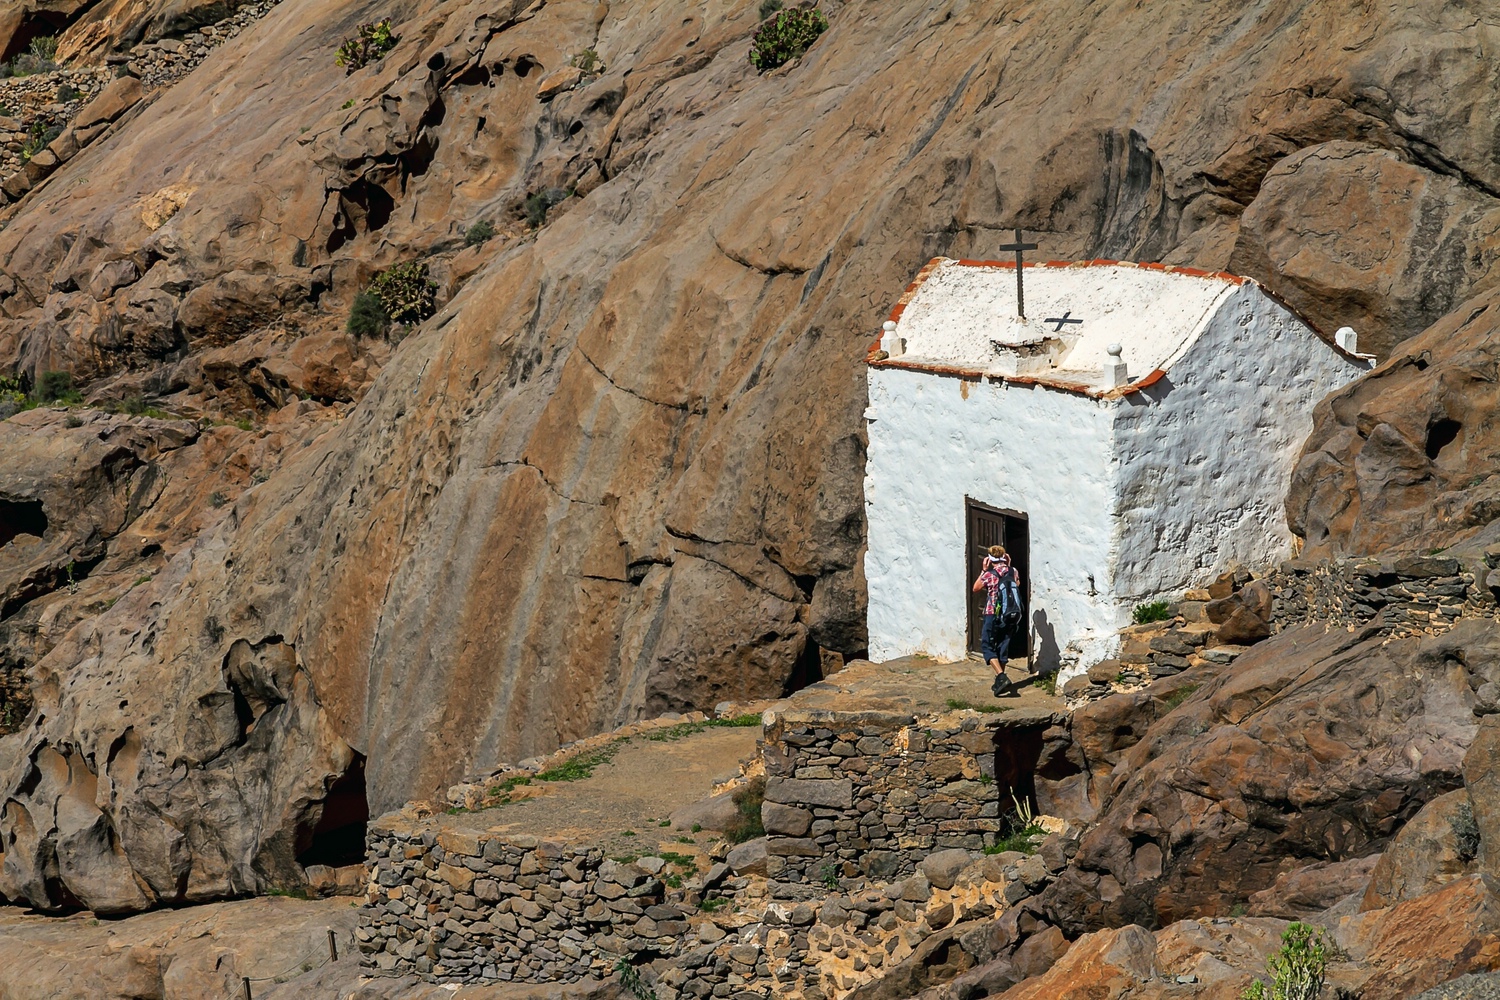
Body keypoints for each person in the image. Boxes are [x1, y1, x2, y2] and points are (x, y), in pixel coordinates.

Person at [972, 545, 1022, 697]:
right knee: (1003, 645)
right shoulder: (1013, 571)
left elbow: (976, 588)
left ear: (990, 559)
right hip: (1009, 614)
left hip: (992, 613)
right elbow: (1018, 585)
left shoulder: (989, 574)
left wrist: (983, 570)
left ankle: (1001, 676)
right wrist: (1010, 564)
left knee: (987, 645)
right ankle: (1000, 679)